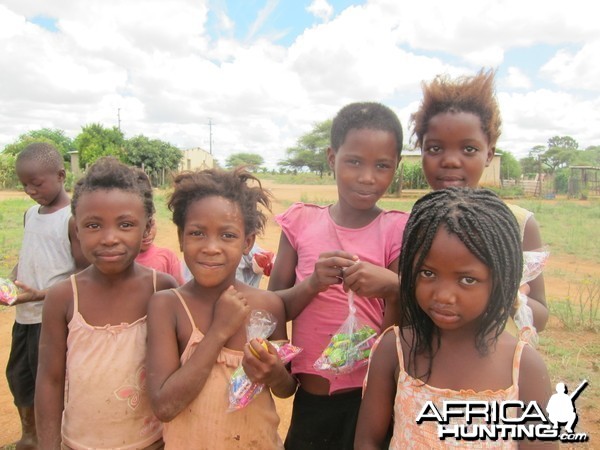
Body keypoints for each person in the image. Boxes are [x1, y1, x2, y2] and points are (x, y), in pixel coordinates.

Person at [355, 187, 555, 449]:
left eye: (467, 279)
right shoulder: (394, 349)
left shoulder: (524, 367)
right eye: (427, 273)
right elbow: (367, 441)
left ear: (501, 281)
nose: (444, 295)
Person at [268, 102, 408, 449]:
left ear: (396, 167)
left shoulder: (396, 229)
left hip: (371, 397)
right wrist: (313, 284)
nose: (367, 177)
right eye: (354, 162)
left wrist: (391, 288)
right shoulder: (300, 222)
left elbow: (398, 326)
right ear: (332, 158)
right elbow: (273, 305)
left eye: (382, 166)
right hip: (311, 396)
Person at [146, 167, 296, 449]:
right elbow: (164, 406)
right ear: (180, 238)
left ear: (247, 243)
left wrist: (274, 372)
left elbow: (286, 388)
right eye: (197, 233)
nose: (211, 247)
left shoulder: (267, 306)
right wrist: (218, 332)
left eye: (227, 236)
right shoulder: (167, 306)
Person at [35, 157, 178, 449]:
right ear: (77, 229)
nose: (110, 238)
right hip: (78, 443)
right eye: (93, 225)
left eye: (125, 224)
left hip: (150, 443)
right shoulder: (62, 297)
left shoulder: (162, 291)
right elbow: (49, 382)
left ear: (147, 228)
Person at [410, 68, 549, 335]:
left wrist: (507, 293)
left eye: (469, 149)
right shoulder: (414, 224)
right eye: (435, 148)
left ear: (489, 154)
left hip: (498, 366)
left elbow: (540, 318)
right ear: (422, 152)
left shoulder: (519, 224)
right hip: (430, 369)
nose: (450, 160)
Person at [7, 142, 87, 450]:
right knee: (19, 375)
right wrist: (12, 281)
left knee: (50, 382)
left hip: (50, 318)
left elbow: (81, 274)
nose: (29, 189)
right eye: (24, 183)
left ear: (61, 175)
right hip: (24, 315)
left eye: (36, 183)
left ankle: (56, 439)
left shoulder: (70, 218)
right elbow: (27, 258)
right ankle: (30, 436)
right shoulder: (31, 214)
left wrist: (41, 294)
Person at [136, 219, 185, 285]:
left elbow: (180, 289)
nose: (147, 233)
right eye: (140, 227)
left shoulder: (168, 256)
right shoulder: (122, 261)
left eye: (151, 225)